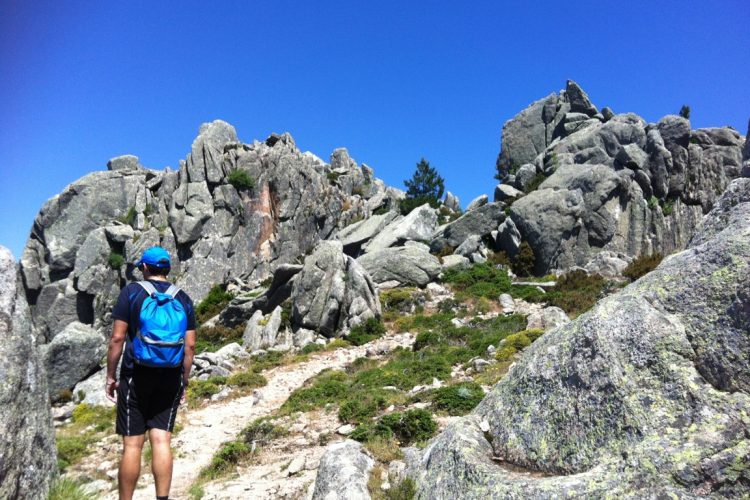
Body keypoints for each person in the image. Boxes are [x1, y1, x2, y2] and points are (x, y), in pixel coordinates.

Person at [106, 246, 197, 500]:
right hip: (170, 376)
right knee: (161, 441)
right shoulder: (183, 299)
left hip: (136, 375)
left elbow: (117, 338)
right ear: (167, 269)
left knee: (133, 445)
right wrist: (184, 381)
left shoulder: (131, 293)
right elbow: (190, 346)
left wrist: (111, 377)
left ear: (145, 268)